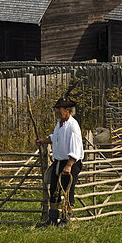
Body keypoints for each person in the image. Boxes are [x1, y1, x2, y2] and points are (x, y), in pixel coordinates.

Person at [36, 97, 84, 226]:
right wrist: (44, 141)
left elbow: (75, 148)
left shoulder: (73, 126)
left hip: (70, 163)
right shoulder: (60, 123)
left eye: (59, 108)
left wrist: (68, 165)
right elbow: (55, 137)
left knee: (67, 191)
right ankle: (52, 219)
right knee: (54, 190)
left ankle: (65, 219)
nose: (57, 111)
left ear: (67, 110)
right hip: (58, 162)